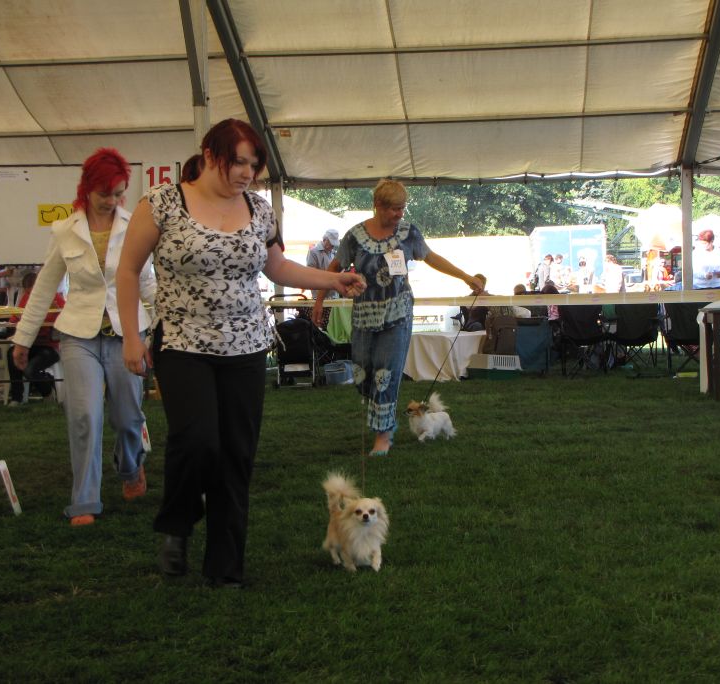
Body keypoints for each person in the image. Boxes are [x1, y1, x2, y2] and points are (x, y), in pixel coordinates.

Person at [116, 119, 363, 583]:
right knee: (196, 440)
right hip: (183, 343)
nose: (248, 172)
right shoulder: (163, 203)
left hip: (247, 346)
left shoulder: (259, 209)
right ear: (210, 155)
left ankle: (225, 567)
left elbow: (278, 268)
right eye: (239, 162)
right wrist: (132, 335)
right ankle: (179, 522)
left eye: (255, 164)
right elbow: (128, 271)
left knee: (236, 453)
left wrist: (332, 280)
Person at [11, 148, 156, 527]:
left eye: (118, 193)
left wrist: (156, 331)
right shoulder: (64, 230)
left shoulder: (135, 225)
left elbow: (148, 284)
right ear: (86, 189)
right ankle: (84, 501)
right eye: (104, 193)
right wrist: (23, 338)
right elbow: (44, 287)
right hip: (78, 336)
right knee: (84, 416)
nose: (111, 201)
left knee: (128, 417)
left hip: (128, 334)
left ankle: (130, 467)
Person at [312, 179, 483, 458]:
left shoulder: (408, 232)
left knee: (386, 374)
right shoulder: (355, 235)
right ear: (378, 205)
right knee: (364, 373)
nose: (399, 214)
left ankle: (383, 437)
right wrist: (319, 300)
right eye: (394, 209)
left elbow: (431, 257)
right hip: (364, 317)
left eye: (402, 208)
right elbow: (333, 268)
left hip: (398, 314)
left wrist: (466, 276)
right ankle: (379, 413)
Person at [6, 271, 65, 406]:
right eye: (28, 293)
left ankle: (48, 392)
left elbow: (65, 318)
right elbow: (14, 318)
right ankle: (16, 397)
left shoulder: (55, 298)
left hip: (50, 347)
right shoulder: (25, 299)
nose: (30, 296)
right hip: (30, 345)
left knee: (30, 370)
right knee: (11, 355)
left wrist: (56, 311)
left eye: (33, 293)